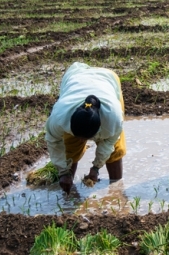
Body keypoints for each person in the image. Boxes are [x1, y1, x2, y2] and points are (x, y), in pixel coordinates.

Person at [45, 62, 126, 193]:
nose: (83, 141)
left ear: (99, 128)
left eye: (85, 138)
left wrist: (96, 168)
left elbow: (109, 142)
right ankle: (68, 190)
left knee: (115, 150)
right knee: (70, 148)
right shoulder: (59, 116)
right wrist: (63, 172)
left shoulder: (113, 117)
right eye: (79, 137)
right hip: (75, 77)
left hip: (107, 80)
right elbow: (54, 141)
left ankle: (117, 190)